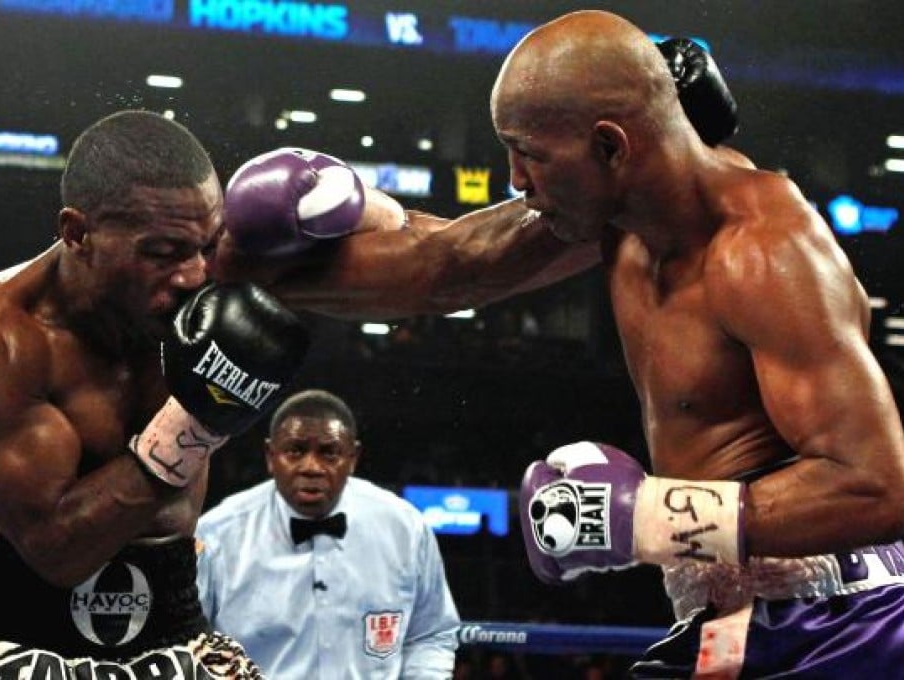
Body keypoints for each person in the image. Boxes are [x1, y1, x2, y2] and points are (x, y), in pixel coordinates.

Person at [209, 11, 904, 678]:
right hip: (737, 621)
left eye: (529, 155)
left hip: (837, 623)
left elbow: (876, 486)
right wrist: (236, 269)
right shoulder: (616, 215)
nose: (515, 180)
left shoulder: (764, 254)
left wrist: (644, 517)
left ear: (610, 146)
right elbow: (450, 265)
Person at [0, 110, 314, 679]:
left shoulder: (200, 283)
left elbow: (427, 267)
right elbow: (58, 550)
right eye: (163, 251)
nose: (195, 275)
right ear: (77, 233)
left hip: (175, 636)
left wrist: (361, 203)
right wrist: (199, 418)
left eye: (206, 244)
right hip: (4, 643)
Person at [196, 388, 461, 679]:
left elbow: (431, 634)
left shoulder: (405, 528)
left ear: (353, 457)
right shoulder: (218, 534)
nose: (311, 467)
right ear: (270, 457)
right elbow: (186, 641)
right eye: (295, 450)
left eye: (329, 452)